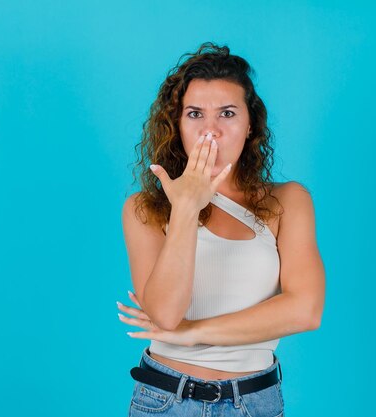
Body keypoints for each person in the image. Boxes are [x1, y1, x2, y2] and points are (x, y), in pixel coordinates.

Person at [118, 42, 325, 416]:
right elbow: (164, 315)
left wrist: (192, 332)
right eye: (195, 114)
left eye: (227, 113)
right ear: (176, 125)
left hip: (255, 401)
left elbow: (304, 310)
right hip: (165, 402)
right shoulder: (144, 208)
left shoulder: (288, 202)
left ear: (249, 125)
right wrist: (184, 208)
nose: (210, 131)